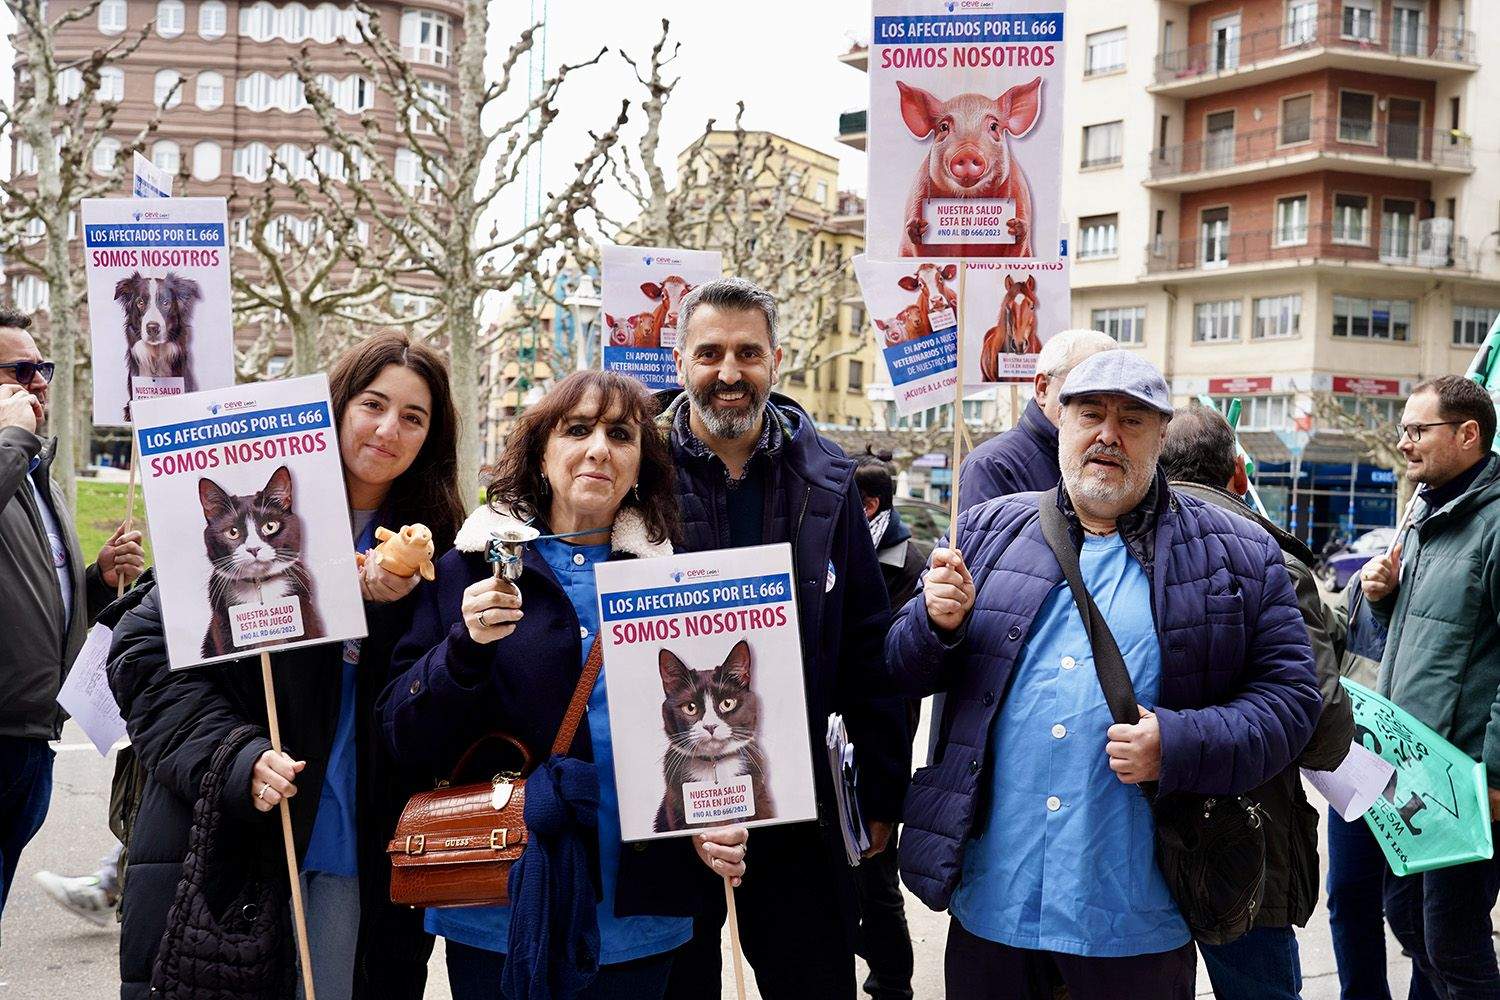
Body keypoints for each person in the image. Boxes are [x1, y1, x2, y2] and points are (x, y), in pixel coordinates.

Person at [886, 350, 1320, 999]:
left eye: (1132, 419)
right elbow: (897, 666)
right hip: (995, 908)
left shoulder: (1239, 552)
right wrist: (933, 623)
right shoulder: (984, 531)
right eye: (1091, 413)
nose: (1108, 434)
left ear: (1161, 435)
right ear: (1061, 423)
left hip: (1134, 920)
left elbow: (1290, 706)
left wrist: (1178, 744)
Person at [107, 333, 463, 1000]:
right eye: (373, 404)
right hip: (236, 849)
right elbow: (142, 660)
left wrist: (396, 614)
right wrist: (235, 756)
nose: (388, 429)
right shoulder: (251, 513)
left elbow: (438, 707)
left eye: (413, 417)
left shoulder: (441, 551)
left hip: (361, 854)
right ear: (338, 405)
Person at [378, 369, 746, 1000]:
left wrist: (720, 825)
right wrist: (464, 649)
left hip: (641, 912)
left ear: (640, 467)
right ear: (540, 454)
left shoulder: (685, 586)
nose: (599, 448)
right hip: (500, 904)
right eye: (577, 430)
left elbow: (716, 746)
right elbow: (400, 736)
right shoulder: (466, 569)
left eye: (621, 435)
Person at [658, 277, 911, 1000]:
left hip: (795, 801)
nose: (729, 373)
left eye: (748, 353)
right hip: (672, 803)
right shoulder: (632, 472)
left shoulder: (826, 483)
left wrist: (883, 796)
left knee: (815, 980)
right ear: (680, 363)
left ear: (777, 359)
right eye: (709, 353)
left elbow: (869, 646)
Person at [1161, 404, 1356, 1000]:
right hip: (1246, 838)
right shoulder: (1272, 560)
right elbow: (1321, 727)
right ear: (1239, 476)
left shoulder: (1110, 543)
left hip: (1127, 830)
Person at [0, 307, 145, 921]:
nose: (37, 383)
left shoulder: (35, 474)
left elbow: (41, 595)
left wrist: (97, 578)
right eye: (18, 370)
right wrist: (9, 438)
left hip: (32, 735)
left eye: (44, 370)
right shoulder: (14, 456)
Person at [1360, 374, 1500, 998]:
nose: (1405, 444)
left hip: (1464, 776)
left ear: (1468, 434)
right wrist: (1385, 600)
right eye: (1403, 430)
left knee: (1452, 939)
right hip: (1407, 773)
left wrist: (1494, 777)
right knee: (1408, 920)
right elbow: (1433, 635)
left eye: (1418, 430)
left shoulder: (1493, 523)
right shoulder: (1424, 511)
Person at [851, 452, 922, 1000]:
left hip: (881, 740)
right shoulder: (841, 547)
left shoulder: (911, 566)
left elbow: (901, 667)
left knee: (877, 876)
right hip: (834, 740)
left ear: (869, 505)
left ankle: (893, 980)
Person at [956, 329, 1116, 513]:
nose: (1102, 402)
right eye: (1085, 389)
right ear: (1042, 388)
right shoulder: (993, 465)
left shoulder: (1118, 455)